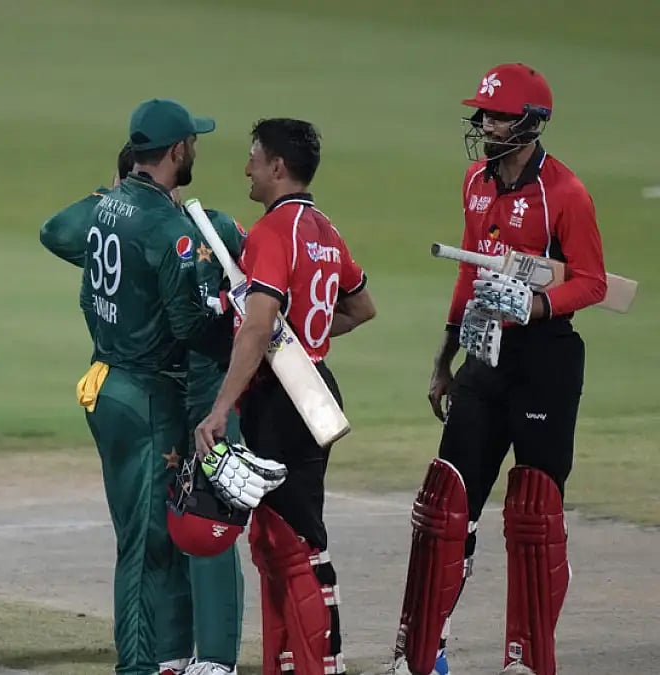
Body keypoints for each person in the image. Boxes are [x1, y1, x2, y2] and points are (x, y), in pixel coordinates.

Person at [387, 63, 607, 675]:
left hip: (546, 361)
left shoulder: (565, 194)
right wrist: (445, 358)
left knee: (534, 513)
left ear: (532, 123)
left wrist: (536, 302)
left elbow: (591, 283)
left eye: (499, 114)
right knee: (445, 502)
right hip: (485, 354)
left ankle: (526, 659)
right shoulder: (474, 183)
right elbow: (467, 271)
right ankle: (424, 652)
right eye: (482, 113)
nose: (485, 123)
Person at [41, 142, 247, 675]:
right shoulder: (185, 230)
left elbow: (57, 230)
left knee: (164, 529)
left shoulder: (136, 226)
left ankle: (168, 656)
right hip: (147, 393)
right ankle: (140, 664)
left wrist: (113, 203)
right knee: (151, 538)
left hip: (124, 389)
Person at [195, 118, 376, 675]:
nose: (246, 166)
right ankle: (287, 663)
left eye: (253, 156)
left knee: (295, 546)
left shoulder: (272, 233)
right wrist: (304, 340)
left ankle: (323, 665)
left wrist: (221, 405)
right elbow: (360, 308)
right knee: (276, 542)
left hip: (282, 401)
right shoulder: (325, 229)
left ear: (277, 166)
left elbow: (257, 325)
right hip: (313, 387)